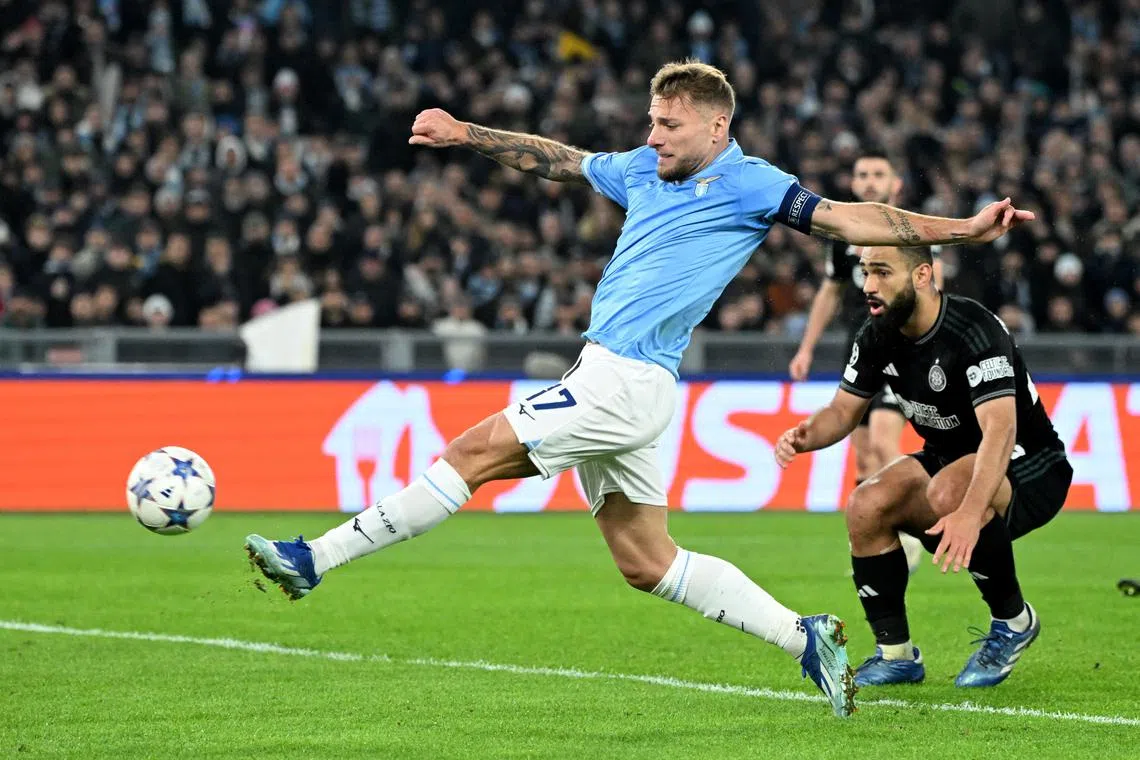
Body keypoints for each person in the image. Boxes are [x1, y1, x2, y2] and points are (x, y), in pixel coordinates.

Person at [245, 60, 1033, 718]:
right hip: (615, 378)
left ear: (717, 127)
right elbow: (558, 158)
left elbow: (850, 218)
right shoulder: (641, 171)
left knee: (473, 453)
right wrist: (466, 135)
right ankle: (806, 638)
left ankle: (315, 558)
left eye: (669, 125)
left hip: (625, 382)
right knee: (647, 561)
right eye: (652, 122)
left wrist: (961, 230)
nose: (653, 136)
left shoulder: (752, 183)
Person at [774, 244, 1072, 688]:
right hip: (948, 460)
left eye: (882, 272)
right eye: (865, 272)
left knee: (948, 492)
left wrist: (969, 513)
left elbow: (1001, 431)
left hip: (1031, 464)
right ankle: (896, 655)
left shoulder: (974, 328)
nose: (869, 285)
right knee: (866, 504)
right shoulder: (876, 333)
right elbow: (842, 412)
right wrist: (806, 435)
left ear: (922, 276)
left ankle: (1014, 622)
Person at [789, 149, 944, 575]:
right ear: (854, 184)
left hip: (900, 348)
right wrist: (805, 348)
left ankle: (915, 531)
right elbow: (831, 291)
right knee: (861, 458)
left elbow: (936, 288)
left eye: (879, 174)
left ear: (896, 184)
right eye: (863, 174)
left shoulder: (910, 231)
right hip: (860, 351)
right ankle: (874, 540)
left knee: (883, 443)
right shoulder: (844, 236)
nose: (870, 181)